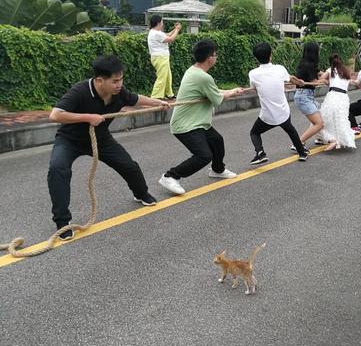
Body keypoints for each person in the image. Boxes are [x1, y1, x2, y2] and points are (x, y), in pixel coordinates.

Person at [47, 55, 170, 240]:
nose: (119, 84)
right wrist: (88, 117)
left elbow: (135, 99)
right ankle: (62, 222)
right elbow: (55, 115)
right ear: (99, 80)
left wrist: (158, 102)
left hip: (101, 138)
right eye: (115, 81)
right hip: (70, 140)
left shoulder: (119, 92)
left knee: (129, 165)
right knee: (58, 170)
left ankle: (141, 193)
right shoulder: (80, 91)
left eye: (121, 79)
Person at [158, 40, 244, 196]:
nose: (216, 57)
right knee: (204, 155)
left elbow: (213, 92)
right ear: (209, 58)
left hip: (199, 123)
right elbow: (217, 99)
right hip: (186, 125)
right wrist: (231, 92)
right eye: (215, 55)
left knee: (217, 141)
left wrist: (231, 90)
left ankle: (218, 170)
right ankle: (170, 176)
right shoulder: (203, 77)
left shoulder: (194, 71)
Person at [245, 42, 307, 164]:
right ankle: (302, 153)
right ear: (271, 56)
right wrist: (300, 82)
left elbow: (254, 87)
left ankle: (260, 152)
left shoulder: (253, 74)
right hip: (283, 112)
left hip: (268, 116)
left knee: (255, 132)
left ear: (256, 58)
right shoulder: (280, 69)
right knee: (290, 130)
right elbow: (291, 79)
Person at [318, 54, 357, 151]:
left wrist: (326, 80)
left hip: (333, 96)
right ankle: (341, 140)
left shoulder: (330, 69)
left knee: (323, 119)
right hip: (344, 97)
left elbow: (321, 79)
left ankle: (331, 139)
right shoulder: (346, 71)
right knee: (340, 120)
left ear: (331, 62)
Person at [292, 42, 324, 152]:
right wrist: (323, 81)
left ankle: (320, 137)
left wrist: (329, 74)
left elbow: (320, 73)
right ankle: (298, 143)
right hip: (304, 96)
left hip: (305, 96)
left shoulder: (306, 63)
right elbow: (314, 83)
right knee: (319, 123)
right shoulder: (308, 65)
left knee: (321, 116)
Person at [148, 15, 181, 100]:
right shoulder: (157, 33)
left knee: (167, 76)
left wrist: (175, 29)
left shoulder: (154, 32)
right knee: (162, 77)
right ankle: (156, 96)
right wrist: (177, 30)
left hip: (159, 57)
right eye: (162, 21)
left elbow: (167, 35)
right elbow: (170, 39)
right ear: (159, 23)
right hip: (160, 57)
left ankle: (169, 93)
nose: (163, 23)